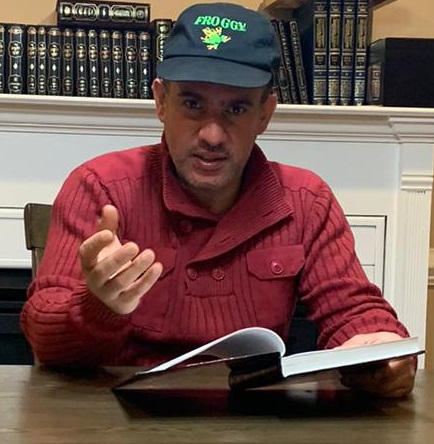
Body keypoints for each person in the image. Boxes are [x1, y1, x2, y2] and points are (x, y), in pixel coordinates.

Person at [20, 2, 415, 398]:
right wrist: (99, 305)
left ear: (265, 115)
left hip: (255, 415)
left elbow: (355, 312)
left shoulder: (307, 200)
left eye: (236, 109)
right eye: (192, 104)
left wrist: (382, 349)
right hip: (118, 416)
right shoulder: (99, 187)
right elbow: (46, 345)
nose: (212, 135)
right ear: (161, 101)